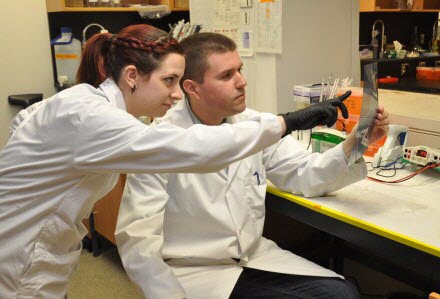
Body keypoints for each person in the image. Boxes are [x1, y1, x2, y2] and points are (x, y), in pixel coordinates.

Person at [0, 24, 350, 298]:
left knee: (338, 291)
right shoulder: (93, 116)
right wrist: (285, 122)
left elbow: (24, 121)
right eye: (169, 80)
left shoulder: (88, 106)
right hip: (22, 259)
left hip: (42, 253)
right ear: (133, 76)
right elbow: (190, 148)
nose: (174, 92)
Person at [115, 32, 390, 299]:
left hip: (255, 257)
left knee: (342, 292)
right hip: (193, 272)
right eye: (226, 75)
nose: (242, 82)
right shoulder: (160, 143)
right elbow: (137, 240)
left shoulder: (254, 125)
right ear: (192, 88)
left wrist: (358, 142)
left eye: (240, 70)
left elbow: (304, 173)